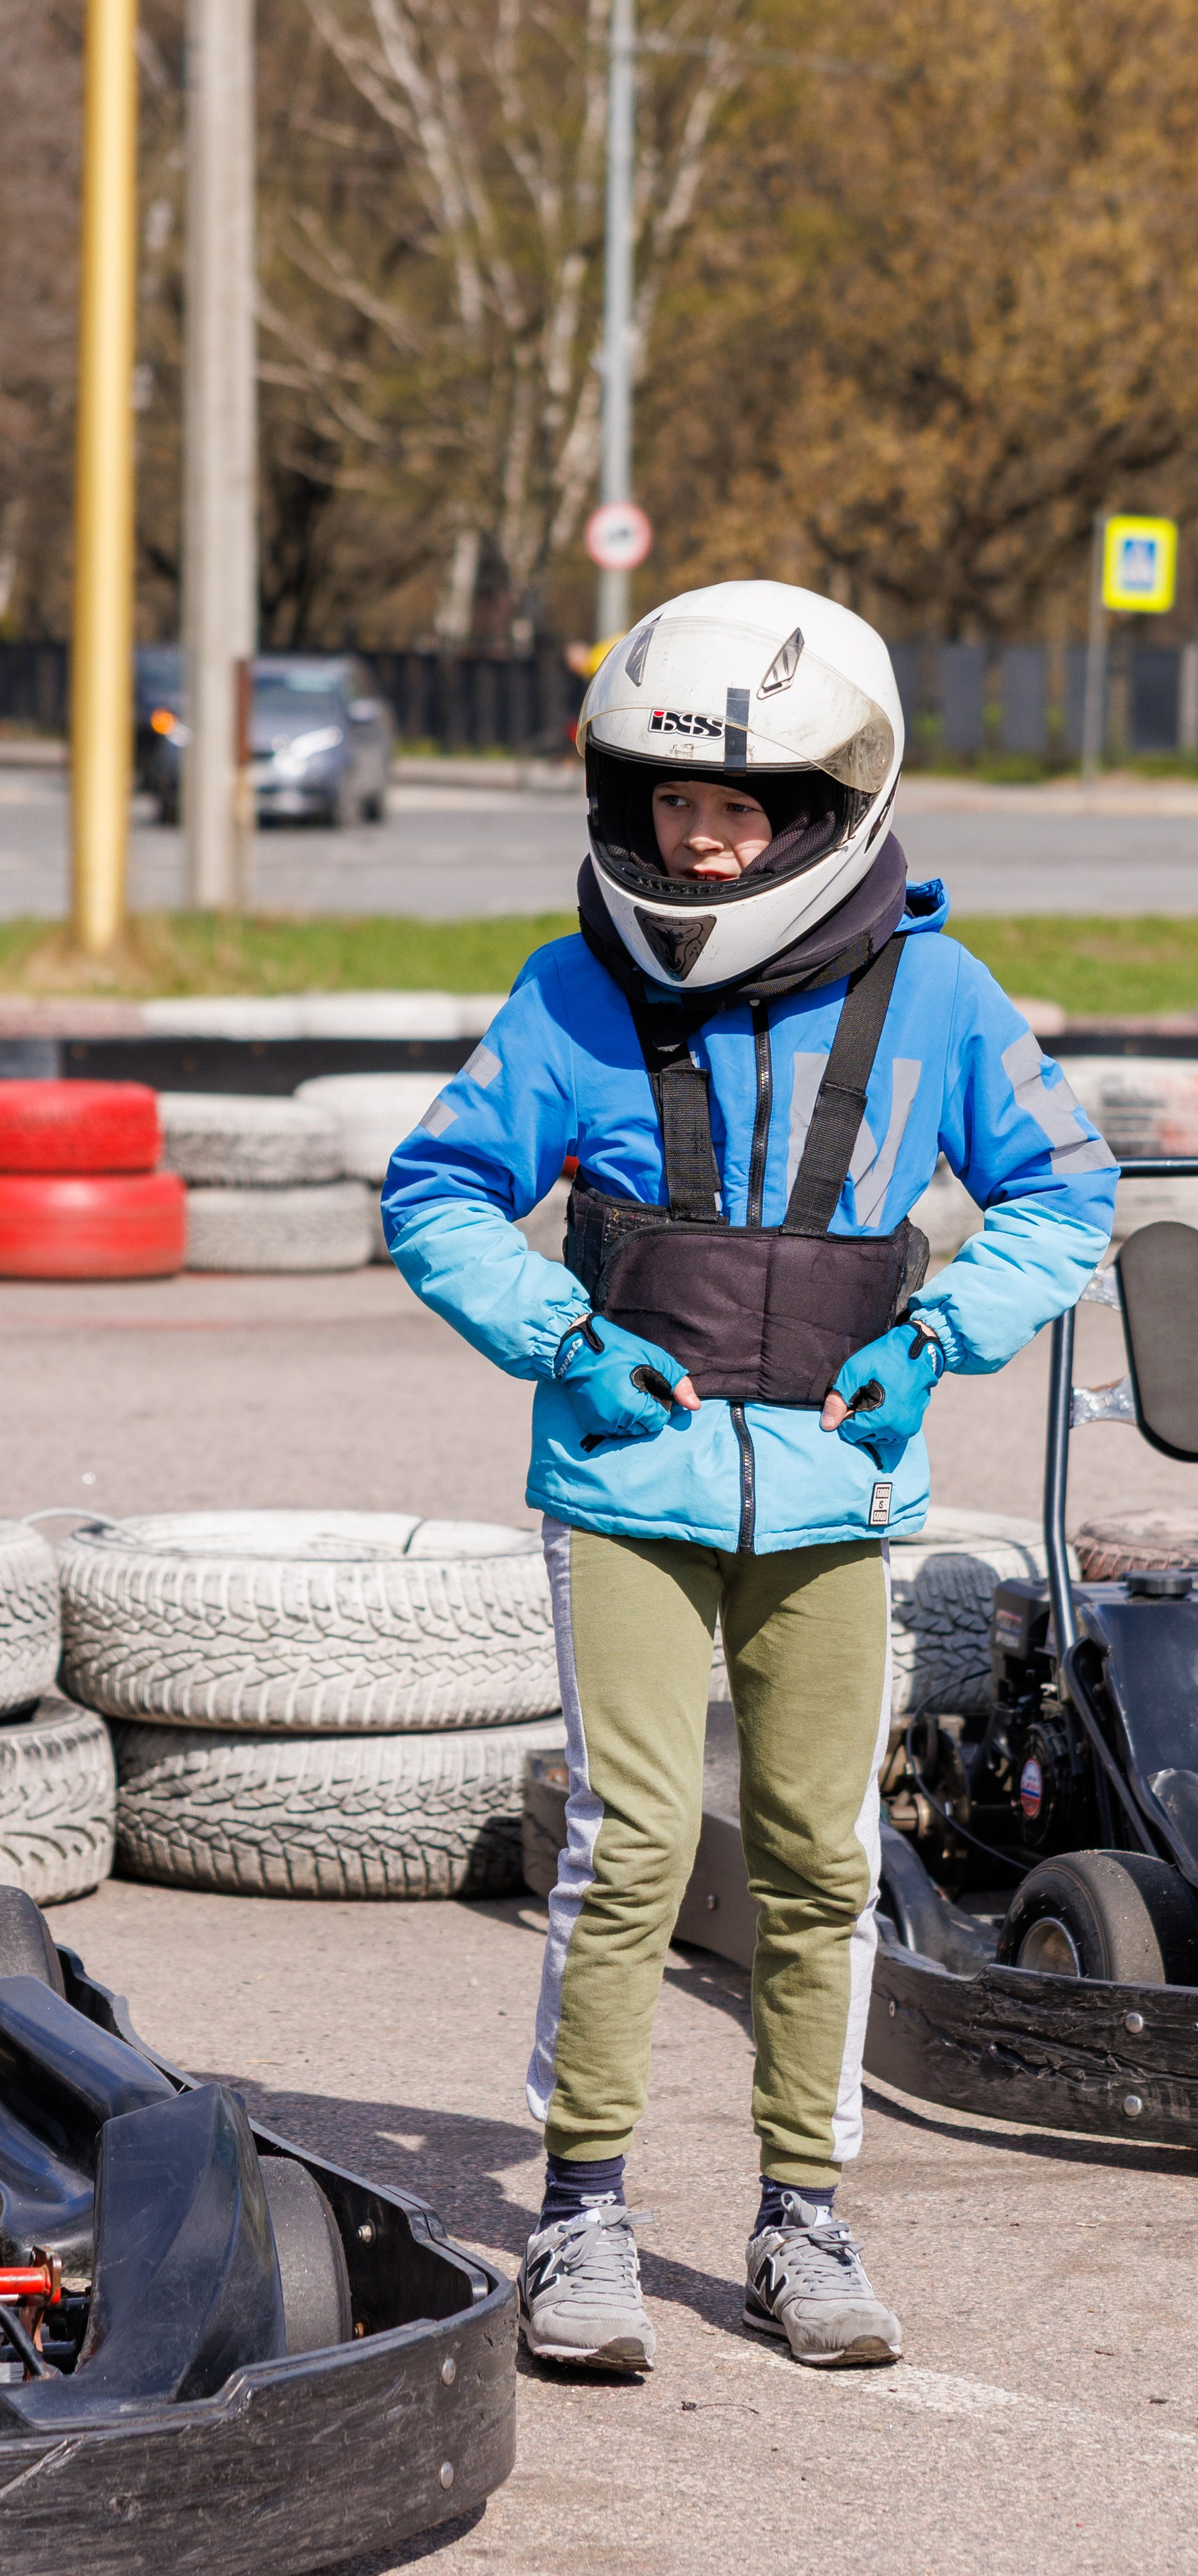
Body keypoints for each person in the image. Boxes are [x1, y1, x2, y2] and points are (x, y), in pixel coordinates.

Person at [381, 580, 1116, 2373]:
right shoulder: (569, 990)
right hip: (625, 1490)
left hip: (838, 1500)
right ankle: (582, 2215)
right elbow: (438, 1189)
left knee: (817, 1853)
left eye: (738, 811)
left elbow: (1064, 1190)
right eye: (672, 807)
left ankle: (804, 2213)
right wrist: (562, 1333)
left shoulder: (939, 993)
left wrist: (937, 1337)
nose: (700, 845)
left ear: (827, 806)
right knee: (629, 1843)